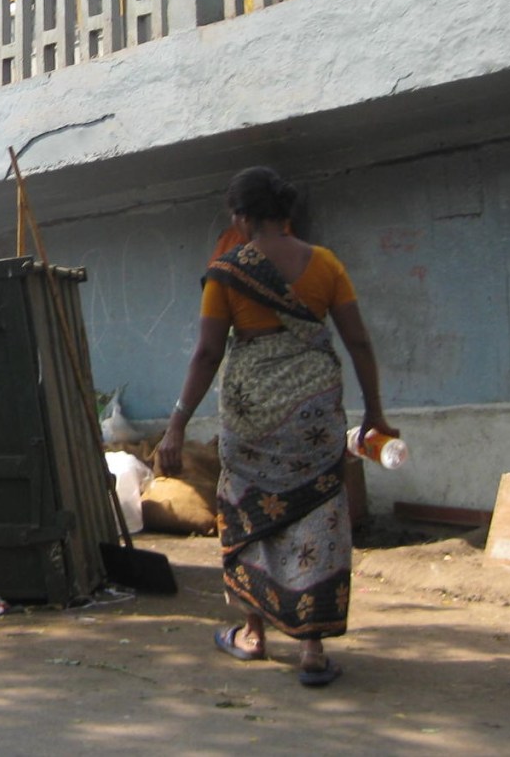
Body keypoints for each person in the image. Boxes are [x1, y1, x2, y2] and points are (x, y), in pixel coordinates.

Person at [157, 166, 397, 687]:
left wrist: (176, 423)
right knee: (318, 514)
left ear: (241, 217)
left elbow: (206, 353)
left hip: (252, 414)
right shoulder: (327, 264)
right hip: (315, 411)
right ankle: (311, 647)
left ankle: (254, 633)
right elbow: (358, 342)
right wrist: (375, 411)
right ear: (283, 212)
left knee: (248, 513)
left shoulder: (225, 271)